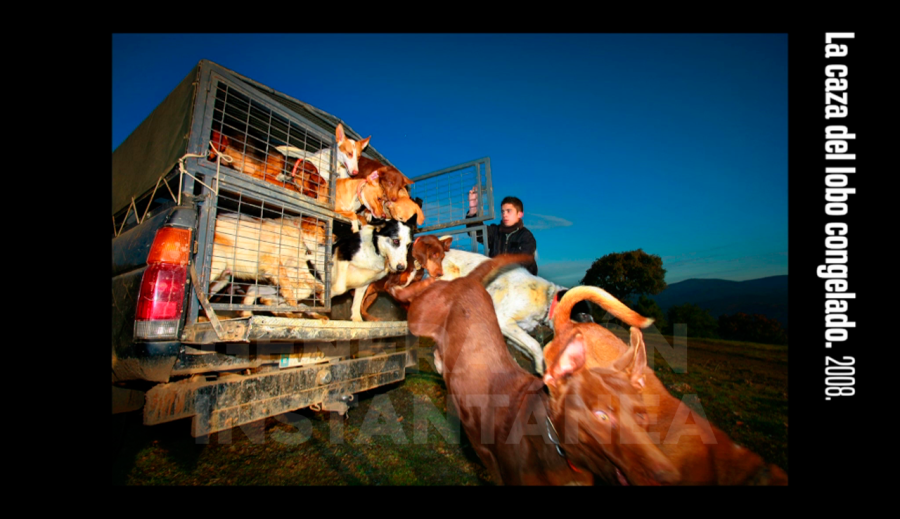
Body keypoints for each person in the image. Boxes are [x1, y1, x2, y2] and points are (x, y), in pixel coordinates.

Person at [466, 187, 538, 275]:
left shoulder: (526, 236)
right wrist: (473, 208)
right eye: (502, 211)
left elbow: (524, 262)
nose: (505, 214)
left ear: (520, 214)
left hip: (520, 283)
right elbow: (475, 231)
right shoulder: (495, 232)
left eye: (509, 211)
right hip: (497, 281)